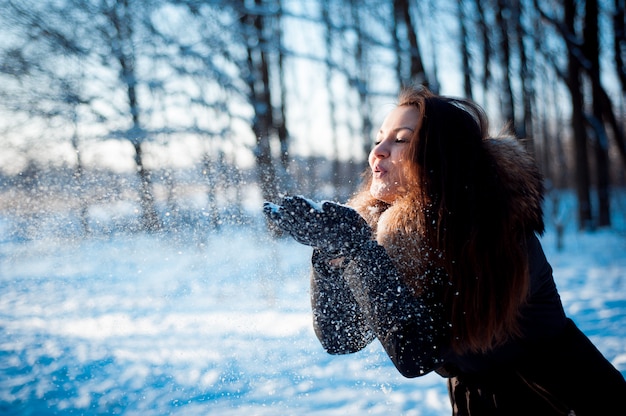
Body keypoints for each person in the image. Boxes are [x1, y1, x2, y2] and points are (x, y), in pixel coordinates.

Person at [263, 86, 626, 415]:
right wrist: (330, 255)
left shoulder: (492, 233)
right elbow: (343, 337)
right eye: (379, 138)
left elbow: (416, 352)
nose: (378, 151)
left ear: (441, 160)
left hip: (561, 399)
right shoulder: (394, 238)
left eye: (401, 140)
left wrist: (358, 250)